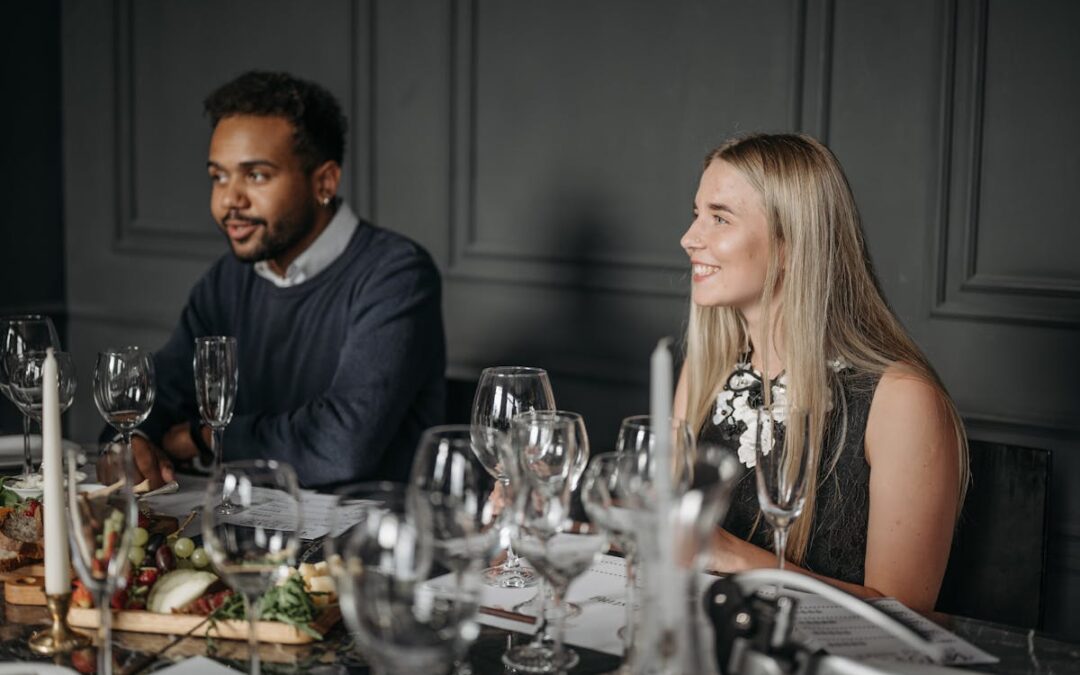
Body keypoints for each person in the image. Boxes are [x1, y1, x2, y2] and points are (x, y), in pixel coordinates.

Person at [674, 133, 968, 613]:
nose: (689, 238)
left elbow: (908, 618)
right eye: (696, 214)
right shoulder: (706, 372)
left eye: (719, 218)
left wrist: (728, 554)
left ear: (791, 243)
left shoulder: (901, 400)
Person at [124, 71, 445, 489]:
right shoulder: (228, 279)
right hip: (250, 532)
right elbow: (163, 391)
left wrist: (207, 439)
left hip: (366, 542)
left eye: (255, 175)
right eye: (218, 176)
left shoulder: (397, 275)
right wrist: (134, 441)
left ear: (324, 182)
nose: (229, 200)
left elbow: (339, 446)